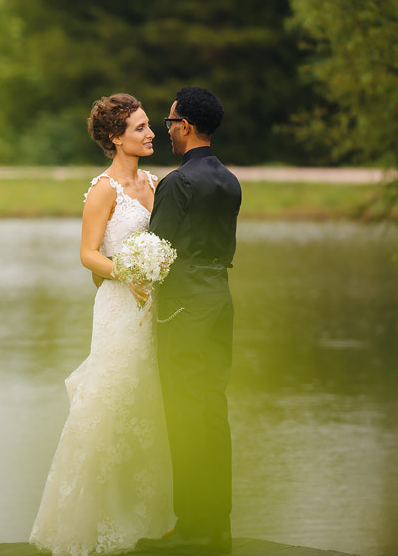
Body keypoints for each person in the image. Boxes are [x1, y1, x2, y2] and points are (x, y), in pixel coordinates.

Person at [29, 93, 175, 556]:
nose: (151, 133)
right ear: (116, 137)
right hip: (118, 307)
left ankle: (149, 515)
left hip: (156, 309)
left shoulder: (155, 184)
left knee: (150, 403)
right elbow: (88, 253)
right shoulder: (103, 190)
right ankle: (87, 520)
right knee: (110, 401)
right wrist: (127, 272)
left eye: (150, 125)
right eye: (140, 128)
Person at [136, 87, 241, 555]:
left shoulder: (178, 184)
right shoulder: (230, 181)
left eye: (170, 122)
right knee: (213, 409)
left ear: (187, 127)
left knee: (184, 411)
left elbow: (155, 253)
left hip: (185, 306)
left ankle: (192, 527)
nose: (167, 130)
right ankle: (218, 526)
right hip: (220, 299)